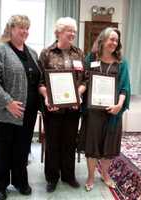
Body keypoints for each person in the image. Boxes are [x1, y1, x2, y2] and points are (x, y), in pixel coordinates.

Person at [0, 15, 41, 200]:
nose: (24, 31)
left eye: (27, 28)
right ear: (10, 29)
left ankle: (20, 181)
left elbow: (36, 80)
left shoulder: (32, 52)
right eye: (20, 28)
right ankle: (0, 186)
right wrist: (8, 102)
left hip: (27, 112)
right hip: (3, 112)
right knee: (3, 149)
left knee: (22, 148)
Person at [79, 27, 131, 191]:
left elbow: (124, 87)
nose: (114, 43)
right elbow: (83, 81)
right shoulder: (91, 58)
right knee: (92, 146)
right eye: (111, 39)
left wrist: (119, 105)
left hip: (113, 112)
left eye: (116, 40)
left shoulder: (121, 63)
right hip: (93, 112)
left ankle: (106, 174)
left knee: (110, 146)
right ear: (102, 40)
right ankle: (90, 176)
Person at [39, 17, 86, 193]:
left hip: (73, 108)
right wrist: (46, 97)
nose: (73, 33)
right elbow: (40, 81)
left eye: (74, 31)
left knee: (69, 142)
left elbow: (85, 80)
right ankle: (52, 177)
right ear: (59, 32)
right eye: (69, 30)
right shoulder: (46, 53)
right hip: (53, 108)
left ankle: (68, 175)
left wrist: (78, 94)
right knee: (53, 143)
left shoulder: (79, 53)